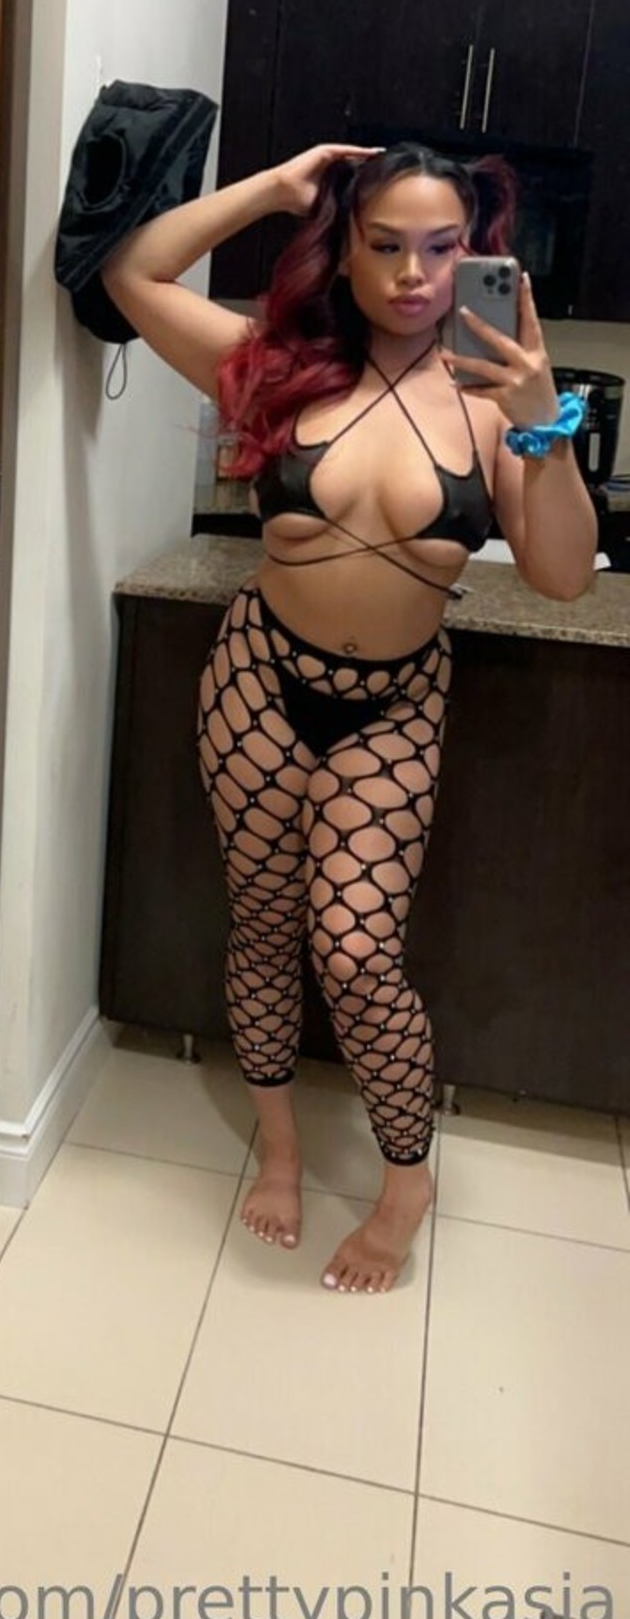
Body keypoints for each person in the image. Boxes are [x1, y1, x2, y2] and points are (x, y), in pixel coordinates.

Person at [101, 140, 597, 1295]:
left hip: (395, 707)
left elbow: (565, 575)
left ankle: (406, 1180)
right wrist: (277, 186)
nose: (415, 273)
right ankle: (278, 1149)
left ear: (474, 255)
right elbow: (132, 274)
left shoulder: (495, 399)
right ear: (345, 251)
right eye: (386, 244)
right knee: (262, 927)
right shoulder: (272, 366)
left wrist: (543, 425)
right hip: (256, 683)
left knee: (359, 950)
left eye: (442, 247)